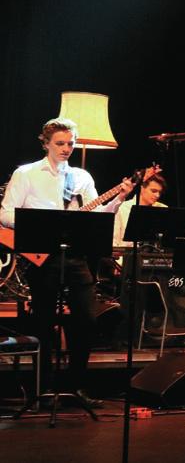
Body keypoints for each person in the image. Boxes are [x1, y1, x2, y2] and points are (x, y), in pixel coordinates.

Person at [0, 117, 135, 408]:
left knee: (86, 320)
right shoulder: (26, 174)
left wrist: (119, 199)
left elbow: (97, 215)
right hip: (43, 257)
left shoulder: (81, 177)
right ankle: (44, 389)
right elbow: (6, 214)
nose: (66, 149)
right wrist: (41, 221)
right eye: (60, 143)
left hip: (74, 256)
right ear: (46, 143)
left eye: (70, 143)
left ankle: (77, 386)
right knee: (44, 322)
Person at [112, 173, 167, 249]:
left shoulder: (162, 208)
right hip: (126, 258)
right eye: (153, 191)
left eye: (159, 192)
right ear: (141, 188)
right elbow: (114, 243)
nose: (157, 195)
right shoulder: (121, 208)